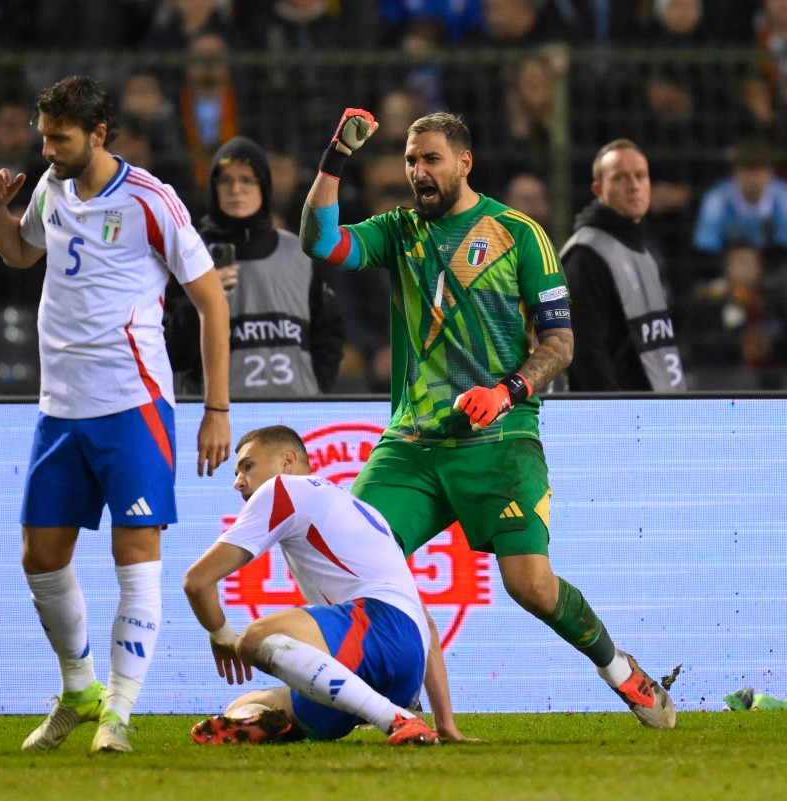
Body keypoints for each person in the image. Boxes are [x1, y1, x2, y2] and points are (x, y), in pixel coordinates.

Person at [299, 109, 676, 728]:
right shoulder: (398, 231)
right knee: (347, 558)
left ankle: (620, 670)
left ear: (464, 163)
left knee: (530, 585)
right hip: (414, 443)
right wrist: (335, 156)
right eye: (410, 161)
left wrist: (508, 391)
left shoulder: (519, 234)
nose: (418, 172)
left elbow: (560, 345)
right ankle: (400, 700)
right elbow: (319, 239)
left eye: (431, 160)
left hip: (499, 438)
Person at [0, 75, 231, 755]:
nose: (48, 148)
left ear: (99, 134)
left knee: (135, 555)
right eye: (44, 135)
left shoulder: (152, 200)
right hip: (60, 409)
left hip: (132, 405)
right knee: (41, 556)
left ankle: (118, 709)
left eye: (59, 137)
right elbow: (21, 253)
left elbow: (211, 302)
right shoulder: (51, 189)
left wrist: (216, 408)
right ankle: (78, 686)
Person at [184, 425, 468, 746]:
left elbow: (197, 581)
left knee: (254, 639)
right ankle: (278, 722)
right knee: (243, 707)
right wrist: (446, 725)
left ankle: (393, 718)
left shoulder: (283, 489)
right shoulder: (360, 509)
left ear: (287, 460)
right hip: (404, 672)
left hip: (374, 632)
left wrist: (221, 636)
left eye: (248, 466)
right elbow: (426, 624)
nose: (238, 481)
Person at [164, 135, 345, 398]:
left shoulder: (299, 253)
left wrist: (315, 391)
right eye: (225, 180)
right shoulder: (191, 254)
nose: (236, 189)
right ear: (213, 189)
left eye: (247, 180)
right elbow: (172, 351)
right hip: (221, 419)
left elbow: (329, 332)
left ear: (264, 187)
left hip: (297, 412)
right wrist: (201, 301)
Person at [560, 139, 687, 392]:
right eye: (620, 178)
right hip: (617, 419)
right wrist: (616, 415)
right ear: (598, 190)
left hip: (649, 412)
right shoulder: (586, 255)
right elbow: (586, 351)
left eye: (641, 176)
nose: (634, 186)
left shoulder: (642, 249)